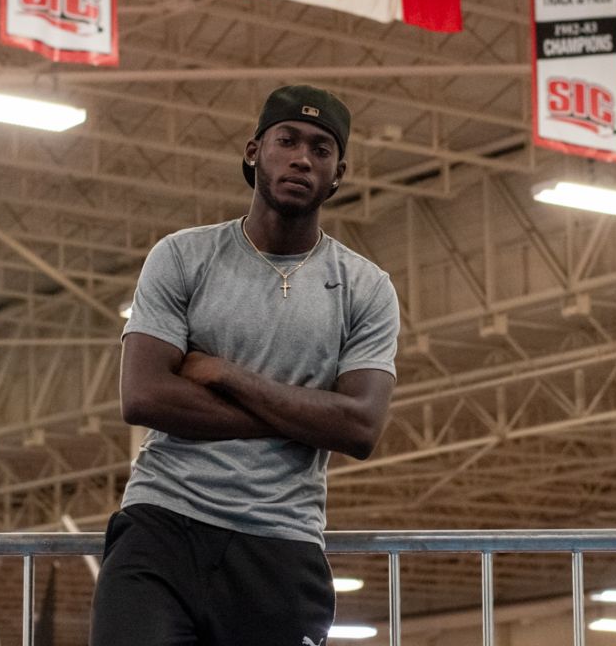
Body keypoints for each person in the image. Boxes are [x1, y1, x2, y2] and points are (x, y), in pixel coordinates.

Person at [89, 84, 402, 646]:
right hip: (162, 526)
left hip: (280, 544)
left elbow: (359, 427)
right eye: (287, 140)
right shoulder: (183, 256)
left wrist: (229, 376)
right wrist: (303, 419)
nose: (303, 157)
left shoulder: (366, 287)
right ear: (255, 151)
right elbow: (143, 397)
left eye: (322, 149)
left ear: (338, 174)